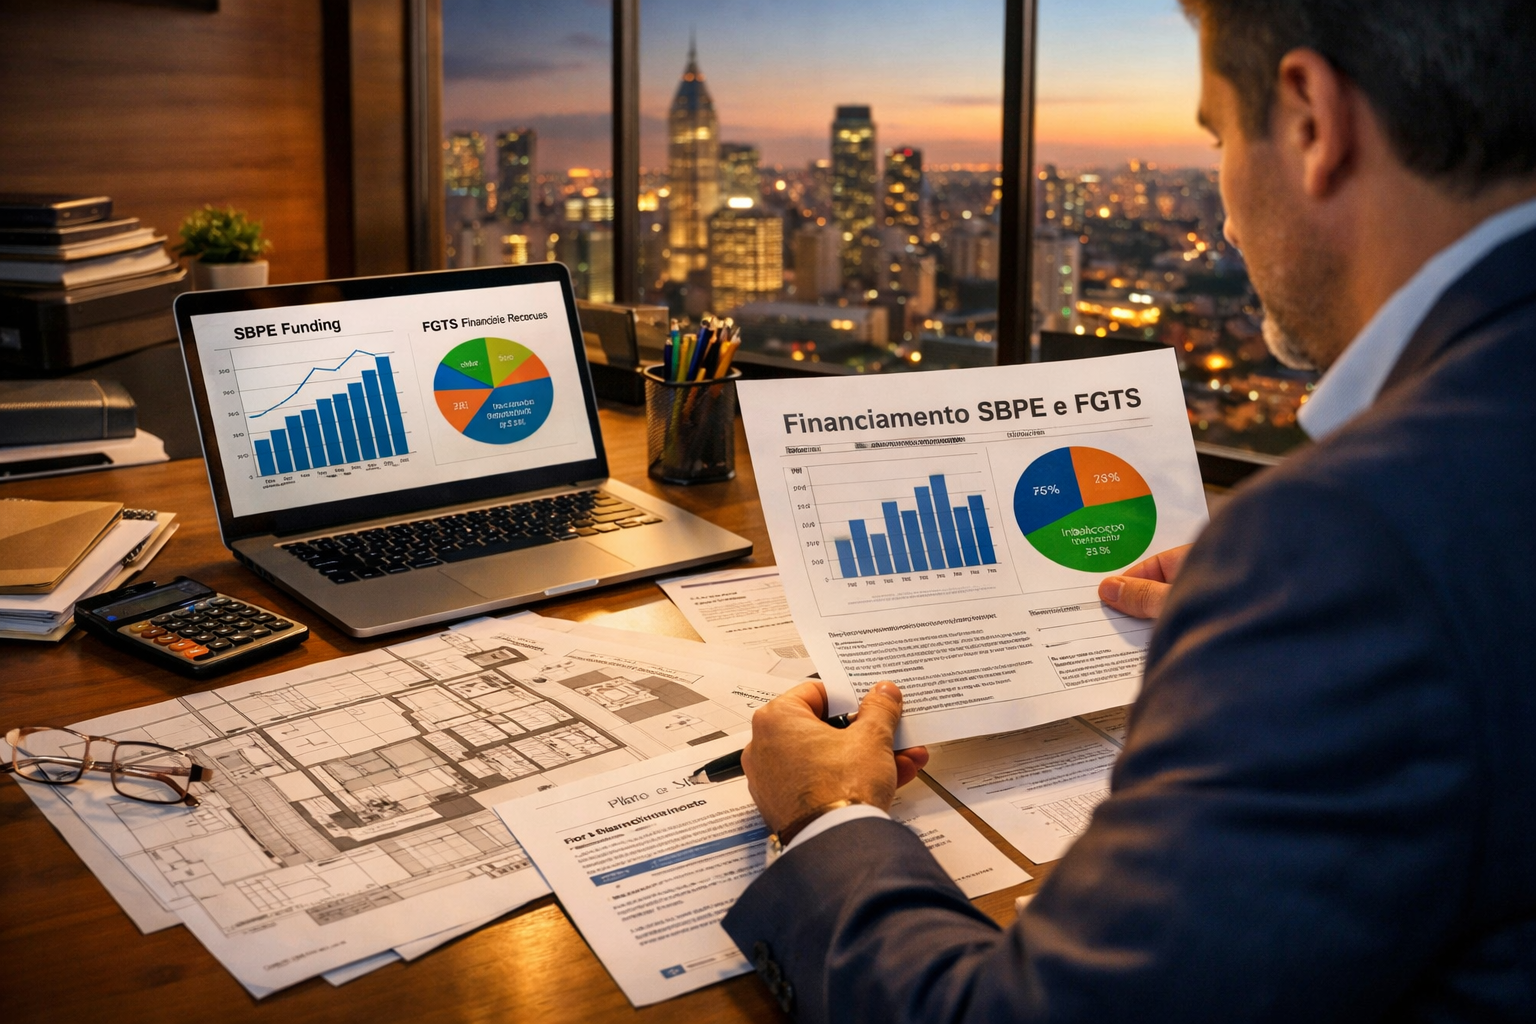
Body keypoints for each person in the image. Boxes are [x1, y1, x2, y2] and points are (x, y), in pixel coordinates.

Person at [721, 1, 1536, 1019]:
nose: (1228, 219)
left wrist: (828, 817)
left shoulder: (1350, 547)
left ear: (1312, 120)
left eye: (1217, 137)